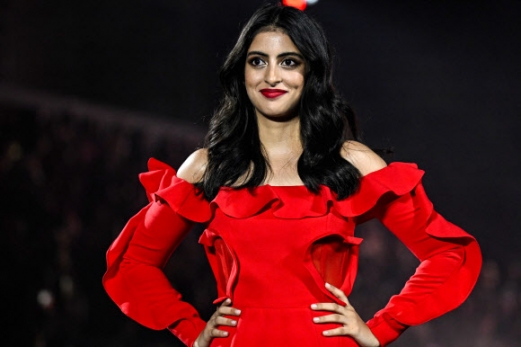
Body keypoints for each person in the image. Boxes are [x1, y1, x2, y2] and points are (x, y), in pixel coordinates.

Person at [102, 3, 482, 347]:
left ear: (311, 71)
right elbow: (133, 264)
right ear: (241, 70)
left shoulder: (350, 162)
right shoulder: (208, 166)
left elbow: (448, 252)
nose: (271, 76)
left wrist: (381, 329)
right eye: (257, 61)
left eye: (288, 61)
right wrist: (190, 331)